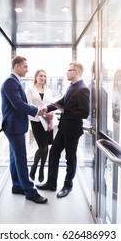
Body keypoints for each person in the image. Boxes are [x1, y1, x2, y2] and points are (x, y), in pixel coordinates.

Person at [37, 61, 90, 198]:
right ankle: (51, 183)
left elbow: (85, 113)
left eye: (69, 70)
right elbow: (62, 101)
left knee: (70, 157)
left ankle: (68, 185)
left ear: (76, 72)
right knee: (54, 153)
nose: (66, 72)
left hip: (73, 130)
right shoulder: (71, 86)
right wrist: (47, 108)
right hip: (63, 128)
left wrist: (66, 112)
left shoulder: (83, 89)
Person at [1, 56, 48, 204]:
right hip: (14, 126)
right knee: (21, 158)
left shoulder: (14, 81)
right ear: (16, 66)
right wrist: (37, 111)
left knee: (15, 158)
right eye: (25, 67)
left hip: (15, 125)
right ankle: (30, 191)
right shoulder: (10, 82)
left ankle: (17, 185)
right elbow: (19, 104)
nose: (27, 70)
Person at [26, 69, 54, 183]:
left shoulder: (49, 90)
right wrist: (40, 111)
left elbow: (50, 105)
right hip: (36, 120)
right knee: (42, 146)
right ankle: (34, 167)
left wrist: (49, 116)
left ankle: (42, 170)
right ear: (36, 77)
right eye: (41, 75)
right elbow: (28, 104)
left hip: (47, 120)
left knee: (46, 146)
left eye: (44, 76)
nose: (43, 78)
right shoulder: (30, 89)